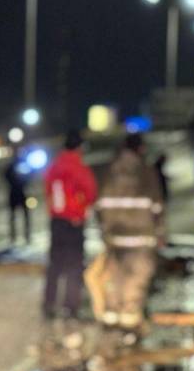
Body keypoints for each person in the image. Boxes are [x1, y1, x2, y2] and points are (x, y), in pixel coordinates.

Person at [91, 133, 164, 332]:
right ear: (140, 149)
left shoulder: (108, 171)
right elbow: (157, 207)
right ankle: (129, 320)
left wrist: (104, 231)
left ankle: (111, 314)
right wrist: (159, 233)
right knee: (136, 277)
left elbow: (98, 206)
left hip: (114, 236)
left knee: (116, 276)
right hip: (140, 238)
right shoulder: (146, 172)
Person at [42, 130, 97, 319]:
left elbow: (48, 190)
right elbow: (90, 193)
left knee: (55, 264)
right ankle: (71, 306)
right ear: (80, 147)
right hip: (74, 222)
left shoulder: (54, 167)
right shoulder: (79, 168)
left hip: (56, 221)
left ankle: (49, 305)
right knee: (74, 265)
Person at [3, 149, 32, 245]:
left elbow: (29, 176)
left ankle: (25, 236)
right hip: (15, 192)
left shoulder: (23, 165)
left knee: (25, 215)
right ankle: (14, 237)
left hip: (21, 192)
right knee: (13, 217)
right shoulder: (11, 166)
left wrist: (23, 183)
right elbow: (6, 176)